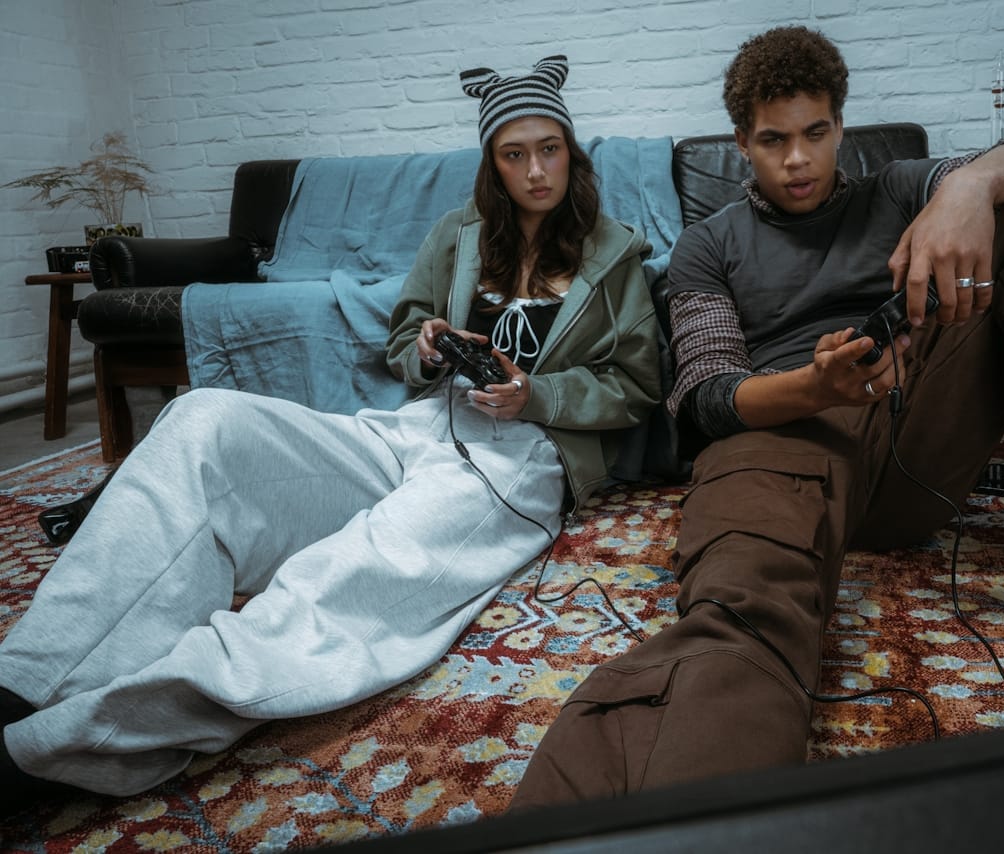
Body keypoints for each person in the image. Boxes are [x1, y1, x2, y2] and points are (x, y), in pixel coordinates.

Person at [509, 27, 1004, 806]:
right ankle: (636, 806)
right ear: (742, 143)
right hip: (785, 435)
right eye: (774, 141)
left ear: (841, 125)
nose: (800, 160)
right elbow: (708, 397)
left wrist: (968, 191)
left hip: (923, 426)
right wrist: (816, 387)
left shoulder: (902, 185)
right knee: (739, 608)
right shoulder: (707, 247)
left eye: (816, 134)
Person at [0, 54, 661, 808]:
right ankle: (26, 680)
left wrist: (536, 394)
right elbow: (407, 329)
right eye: (516, 154)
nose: (537, 170)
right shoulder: (460, 235)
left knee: (348, 573)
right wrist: (421, 347)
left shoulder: (617, 253)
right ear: (493, 164)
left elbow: (636, 387)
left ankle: (69, 751)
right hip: (411, 426)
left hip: (519, 459)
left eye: (551, 150)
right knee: (202, 420)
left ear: (573, 155)